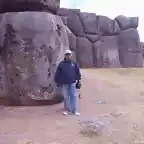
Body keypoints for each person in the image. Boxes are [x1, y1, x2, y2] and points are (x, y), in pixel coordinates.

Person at [54, 50, 81, 116]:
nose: (68, 56)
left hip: (72, 82)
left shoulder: (74, 63)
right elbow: (58, 74)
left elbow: (77, 72)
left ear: (71, 55)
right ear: (65, 56)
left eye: (69, 54)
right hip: (64, 83)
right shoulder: (61, 64)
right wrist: (58, 81)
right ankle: (67, 109)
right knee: (66, 96)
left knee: (73, 96)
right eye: (66, 54)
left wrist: (78, 79)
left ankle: (73, 110)